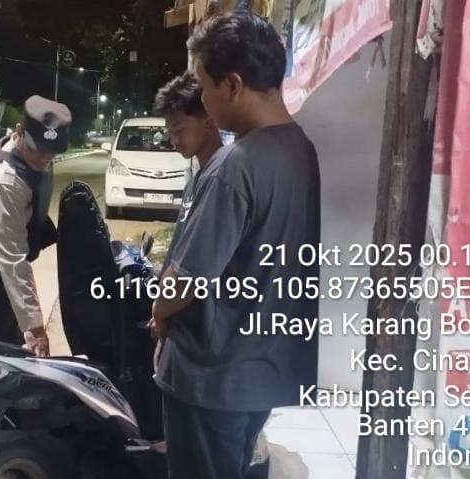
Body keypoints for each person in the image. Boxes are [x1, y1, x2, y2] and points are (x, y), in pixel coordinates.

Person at [149, 11, 320, 479]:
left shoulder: (235, 165)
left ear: (232, 85)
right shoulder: (301, 149)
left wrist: (159, 315)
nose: (203, 99)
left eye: (204, 85)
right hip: (262, 370)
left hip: (212, 376)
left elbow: (186, 279)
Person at [0, 96, 72, 357]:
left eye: (51, 151)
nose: (44, 159)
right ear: (19, 131)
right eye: (38, 150)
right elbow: (12, 259)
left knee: (15, 355)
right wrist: (36, 328)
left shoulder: (38, 155)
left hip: (4, 265)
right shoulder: (4, 181)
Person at [153, 71, 224, 179]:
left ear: (208, 123)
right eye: (170, 132)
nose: (174, 141)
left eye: (179, 130)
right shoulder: (204, 176)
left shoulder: (223, 178)